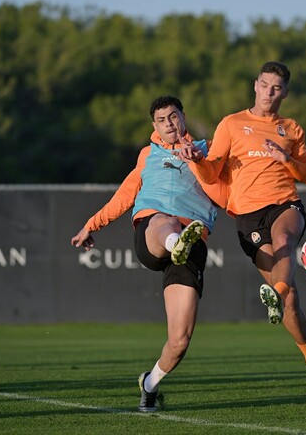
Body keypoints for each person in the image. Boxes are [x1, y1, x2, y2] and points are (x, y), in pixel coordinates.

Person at [179, 61, 306, 396]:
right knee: (291, 299)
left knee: (284, 239)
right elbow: (211, 174)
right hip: (246, 216)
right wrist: (196, 160)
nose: (269, 92)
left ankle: (275, 296)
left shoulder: (290, 128)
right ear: (255, 85)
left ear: (285, 93)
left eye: (276, 87)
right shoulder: (232, 124)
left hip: (284, 204)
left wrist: (286, 160)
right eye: (264, 85)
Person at [71, 96, 227, 412]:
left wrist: (198, 159)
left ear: (183, 116)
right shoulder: (148, 155)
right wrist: (93, 224)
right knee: (165, 220)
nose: (169, 123)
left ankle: (149, 383)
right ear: (154, 126)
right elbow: (126, 195)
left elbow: (227, 190)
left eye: (173, 116)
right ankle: (175, 242)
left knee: (179, 341)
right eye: (161, 119)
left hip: (193, 240)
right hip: (154, 236)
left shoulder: (209, 150)